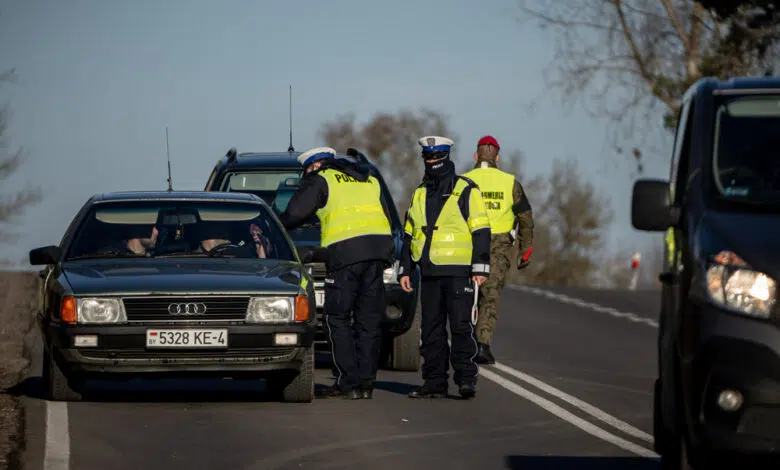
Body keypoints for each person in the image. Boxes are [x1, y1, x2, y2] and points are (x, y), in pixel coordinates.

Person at [279, 146, 395, 400]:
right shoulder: (368, 177)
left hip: (345, 256)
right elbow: (385, 216)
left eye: (306, 171)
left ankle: (347, 382)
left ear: (315, 165)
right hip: (377, 253)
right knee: (368, 321)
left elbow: (294, 213)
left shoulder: (323, 179)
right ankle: (366, 384)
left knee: (337, 318)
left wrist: (275, 225)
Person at [398, 136, 491, 399]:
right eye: (428, 158)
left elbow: (482, 230)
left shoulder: (466, 189)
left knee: (461, 328)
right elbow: (409, 233)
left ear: (446, 158)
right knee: (430, 332)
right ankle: (434, 383)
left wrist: (480, 267)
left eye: (436, 157)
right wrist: (405, 268)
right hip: (428, 273)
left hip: (460, 271)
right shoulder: (419, 193)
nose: (432, 162)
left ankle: (466, 380)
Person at [463, 135, 534, 364]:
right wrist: (526, 250)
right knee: (489, 295)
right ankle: (482, 345)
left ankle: (464, 341)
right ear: (498, 158)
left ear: (476, 156)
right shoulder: (510, 183)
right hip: (498, 247)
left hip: (467, 244)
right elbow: (525, 218)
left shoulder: (462, 181)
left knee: (464, 294)